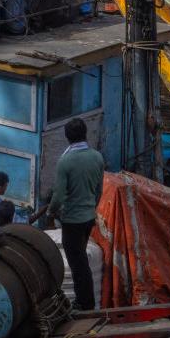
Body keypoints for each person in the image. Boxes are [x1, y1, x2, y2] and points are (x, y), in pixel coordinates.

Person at [49, 118, 105, 310]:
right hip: (88, 218)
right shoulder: (97, 157)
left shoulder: (66, 161)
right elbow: (99, 190)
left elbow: (58, 195)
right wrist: (91, 207)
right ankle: (85, 300)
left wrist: (51, 211)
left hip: (72, 220)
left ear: (67, 137)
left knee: (78, 263)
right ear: (85, 133)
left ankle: (85, 302)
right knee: (80, 258)